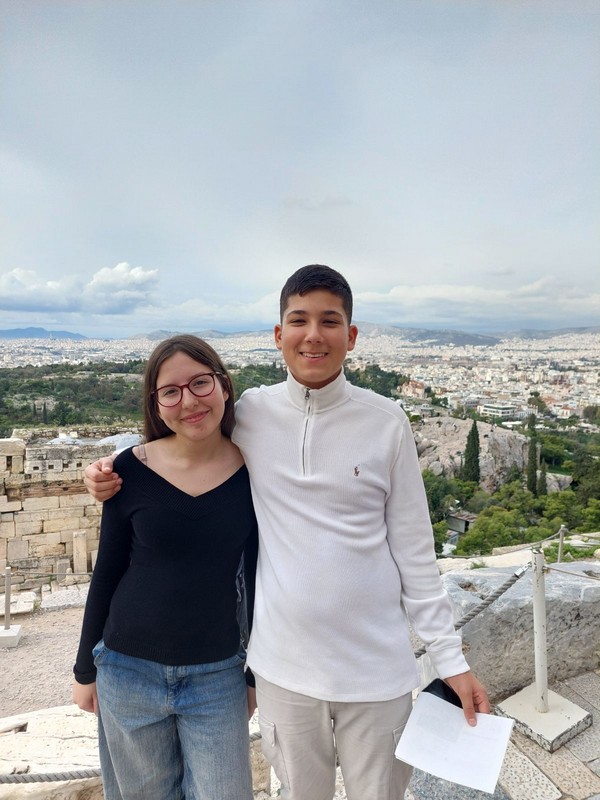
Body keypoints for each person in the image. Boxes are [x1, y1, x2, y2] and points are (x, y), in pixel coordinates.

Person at [84, 265, 490, 800]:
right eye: (299, 320)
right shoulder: (253, 413)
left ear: (351, 335)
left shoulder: (387, 421)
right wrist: (107, 467)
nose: (313, 335)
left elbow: (415, 554)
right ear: (279, 334)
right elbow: (184, 438)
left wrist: (451, 661)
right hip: (284, 672)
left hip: (377, 671)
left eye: (330, 321)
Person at [73, 335, 258, 800]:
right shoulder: (127, 471)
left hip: (217, 675)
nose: (189, 401)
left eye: (200, 383)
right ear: (156, 405)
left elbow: (258, 577)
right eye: (170, 392)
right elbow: (108, 571)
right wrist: (84, 670)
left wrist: (254, 675)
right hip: (126, 670)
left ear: (224, 385)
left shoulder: (255, 472)